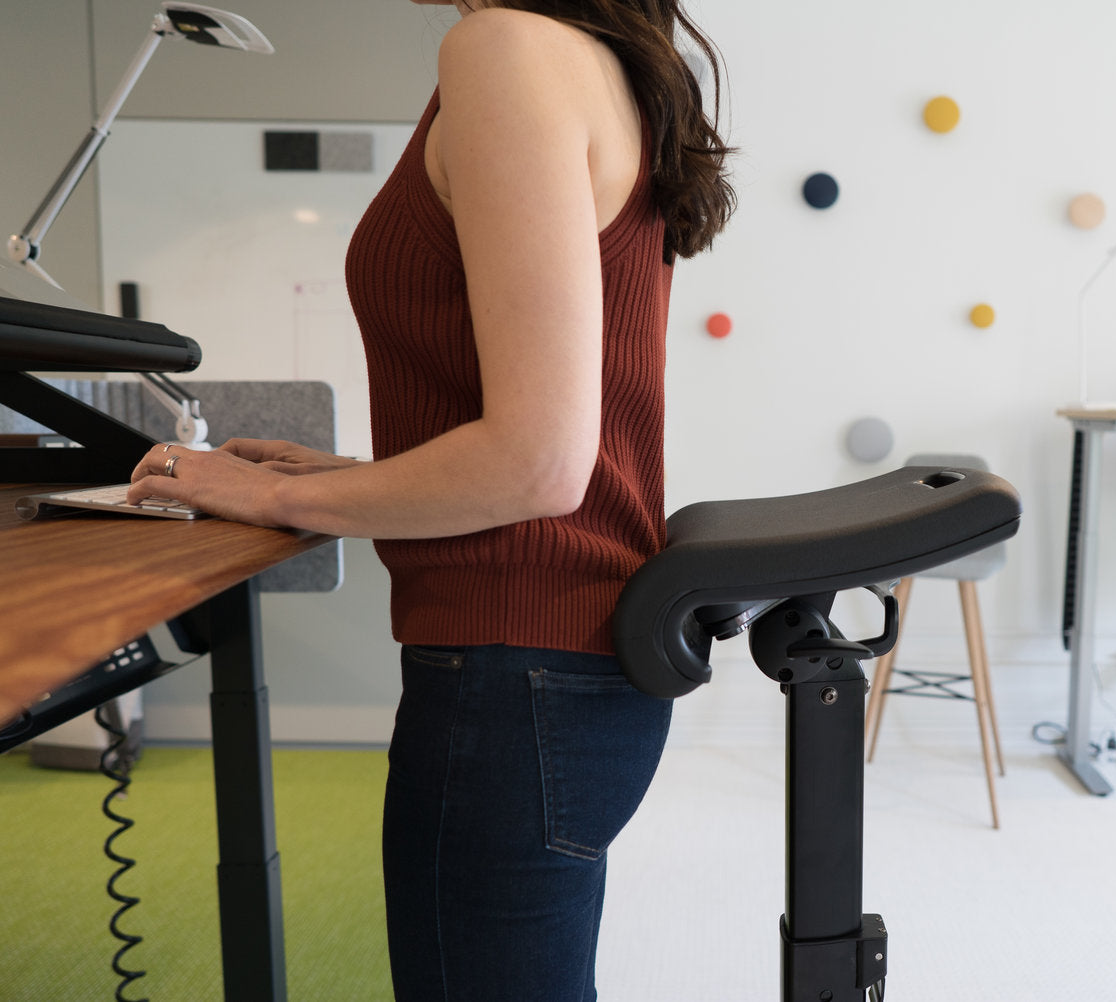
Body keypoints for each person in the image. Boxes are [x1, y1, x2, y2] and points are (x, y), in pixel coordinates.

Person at [128, 1, 735, 998]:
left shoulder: (506, 48)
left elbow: (538, 465)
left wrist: (267, 500)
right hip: (562, 671)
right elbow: (531, 432)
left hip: (516, 678)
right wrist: (331, 478)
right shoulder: (598, 63)